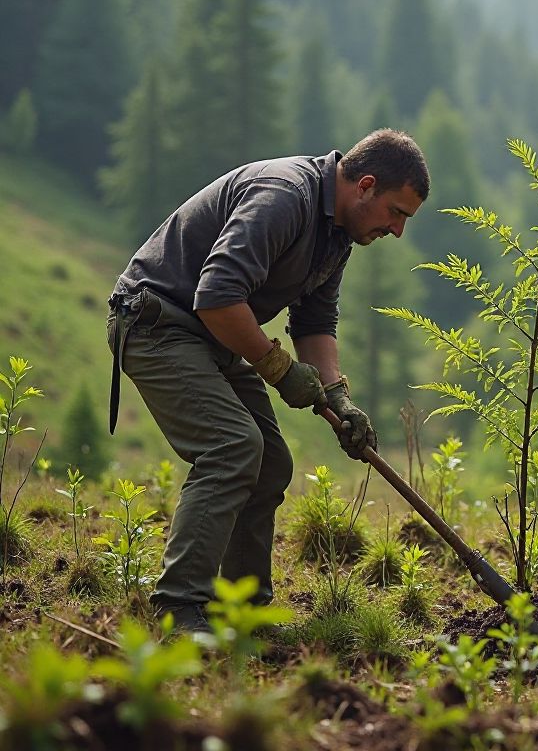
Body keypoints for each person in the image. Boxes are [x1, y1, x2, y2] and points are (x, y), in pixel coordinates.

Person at [106, 129, 429, 633]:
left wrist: (339, 399)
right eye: (397, 213)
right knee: (232, 446)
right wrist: (278, 369)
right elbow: (216, 297)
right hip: (158, 324)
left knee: (271, 461)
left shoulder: (337, 233)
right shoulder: (285, 196)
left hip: (212, 335)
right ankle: (179, 607)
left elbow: (315, 323)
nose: (397, 230)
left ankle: (243, 610)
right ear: (365, 185)